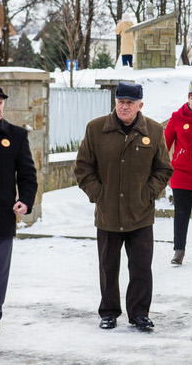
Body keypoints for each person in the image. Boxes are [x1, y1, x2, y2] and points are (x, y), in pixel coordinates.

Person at [74, 82, 172, 331]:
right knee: (108, 266)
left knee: (140, 267)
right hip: (108, 214)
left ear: (140, 105)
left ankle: (139, 313)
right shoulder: (96, 129)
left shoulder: (154, 130)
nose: (124, 106)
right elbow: (83, 167)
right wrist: (99, 194)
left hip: (140, 214)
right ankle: (108, 312)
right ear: (115, 102)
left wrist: (148, 193)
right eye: (121, 102)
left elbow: (163, 169)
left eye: (130, 102)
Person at [0, 86, 38, 334]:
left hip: (1, 218)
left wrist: (25, 200)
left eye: (0, 103)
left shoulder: (16, 136)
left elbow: (27, 176)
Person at [164, 80, 192, 265]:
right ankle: (179, 250)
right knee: (181, 212)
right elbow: (163, 144)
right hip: (181, 173)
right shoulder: (177, 117)